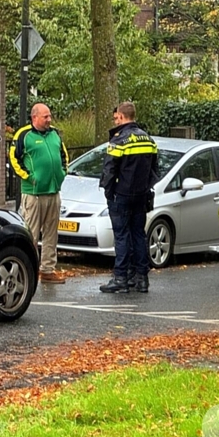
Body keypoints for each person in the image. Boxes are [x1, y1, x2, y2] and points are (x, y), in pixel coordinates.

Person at [99, 101, 159, 293]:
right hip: (141, 195)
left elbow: (109, 170)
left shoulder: (119, 140)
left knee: (122, 236)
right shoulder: (148, 140)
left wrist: (109, 192)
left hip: (121, 195)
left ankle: (121, 278)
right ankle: (141, 278)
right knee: (139, 235)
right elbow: (155, 170)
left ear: (122, 117)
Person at [9, 103, 69, 284]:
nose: (49, 119)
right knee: (31, 234)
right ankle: (28, 270)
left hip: (53, 192)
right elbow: (14, 158)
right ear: (34, 117)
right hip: (33, 194)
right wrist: (30, 178)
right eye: (45, 117)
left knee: (51, 233)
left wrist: (62, 174)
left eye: (50, 116)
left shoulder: (54, 134)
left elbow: (64, 156)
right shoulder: (23, 135)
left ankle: (48, 269)